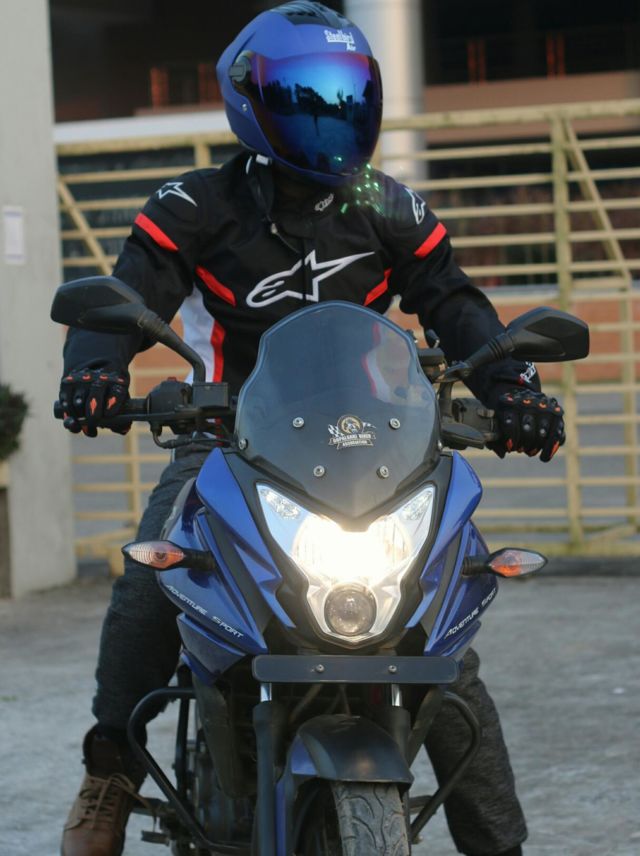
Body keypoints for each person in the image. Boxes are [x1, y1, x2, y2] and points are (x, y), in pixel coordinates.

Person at [58, 3, 565, 855]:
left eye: (345, 97)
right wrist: (94, 372)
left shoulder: (382, 202)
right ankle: (109, 769)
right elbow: (128, 296)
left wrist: (513, 386)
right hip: (224, 436)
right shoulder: (198, 204)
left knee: (440, 629)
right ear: (251, 101)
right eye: (307, 97)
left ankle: (500, 845)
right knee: (152, 586)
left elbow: (453, 301)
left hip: (373, 442)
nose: (330, 116)